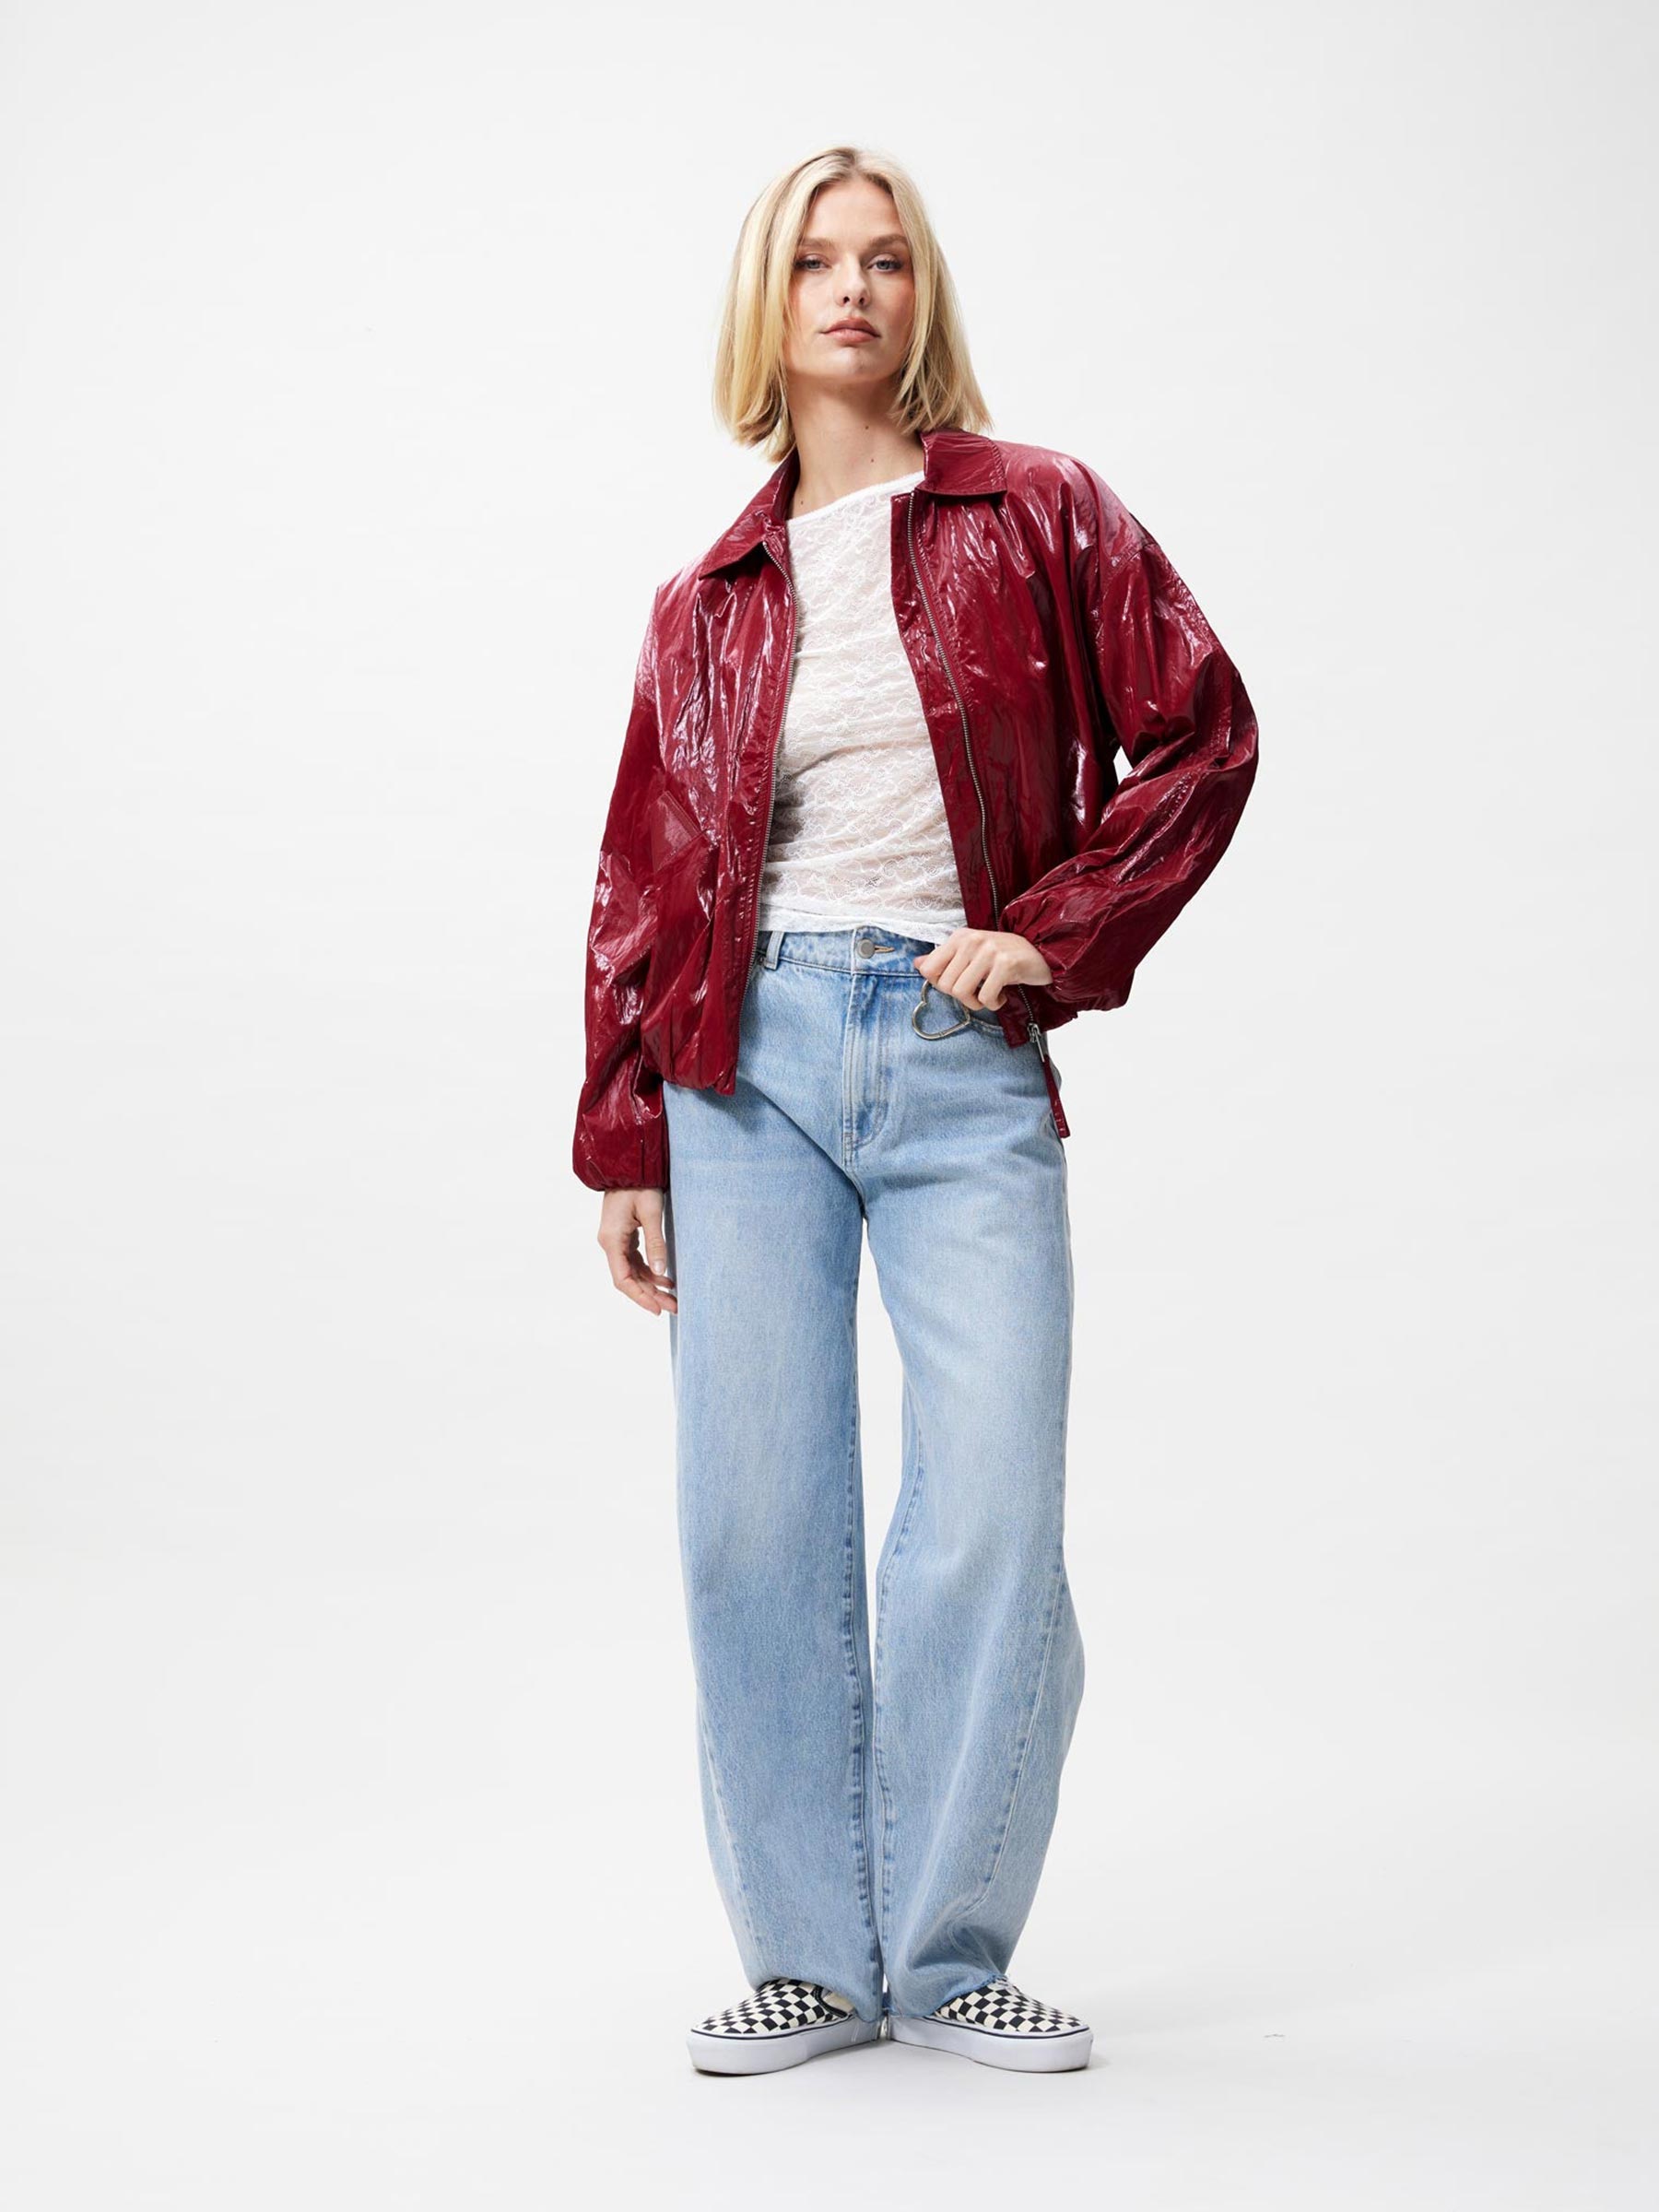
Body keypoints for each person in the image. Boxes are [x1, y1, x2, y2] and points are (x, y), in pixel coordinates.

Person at [572, 144, 1259, 2076]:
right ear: (769, 302)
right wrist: (623, 1137)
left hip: (962, 1059)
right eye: (817, 261)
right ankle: (806, 1955)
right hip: (744, 1069)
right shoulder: (707, 597)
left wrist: (1054, 933)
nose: (854, 289)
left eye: (885, 259)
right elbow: (642, 877)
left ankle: (951, 1957)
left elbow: (1204, 733)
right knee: (755, 1519)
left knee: (993, 1508)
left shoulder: (1039, 512)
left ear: (920, 293)